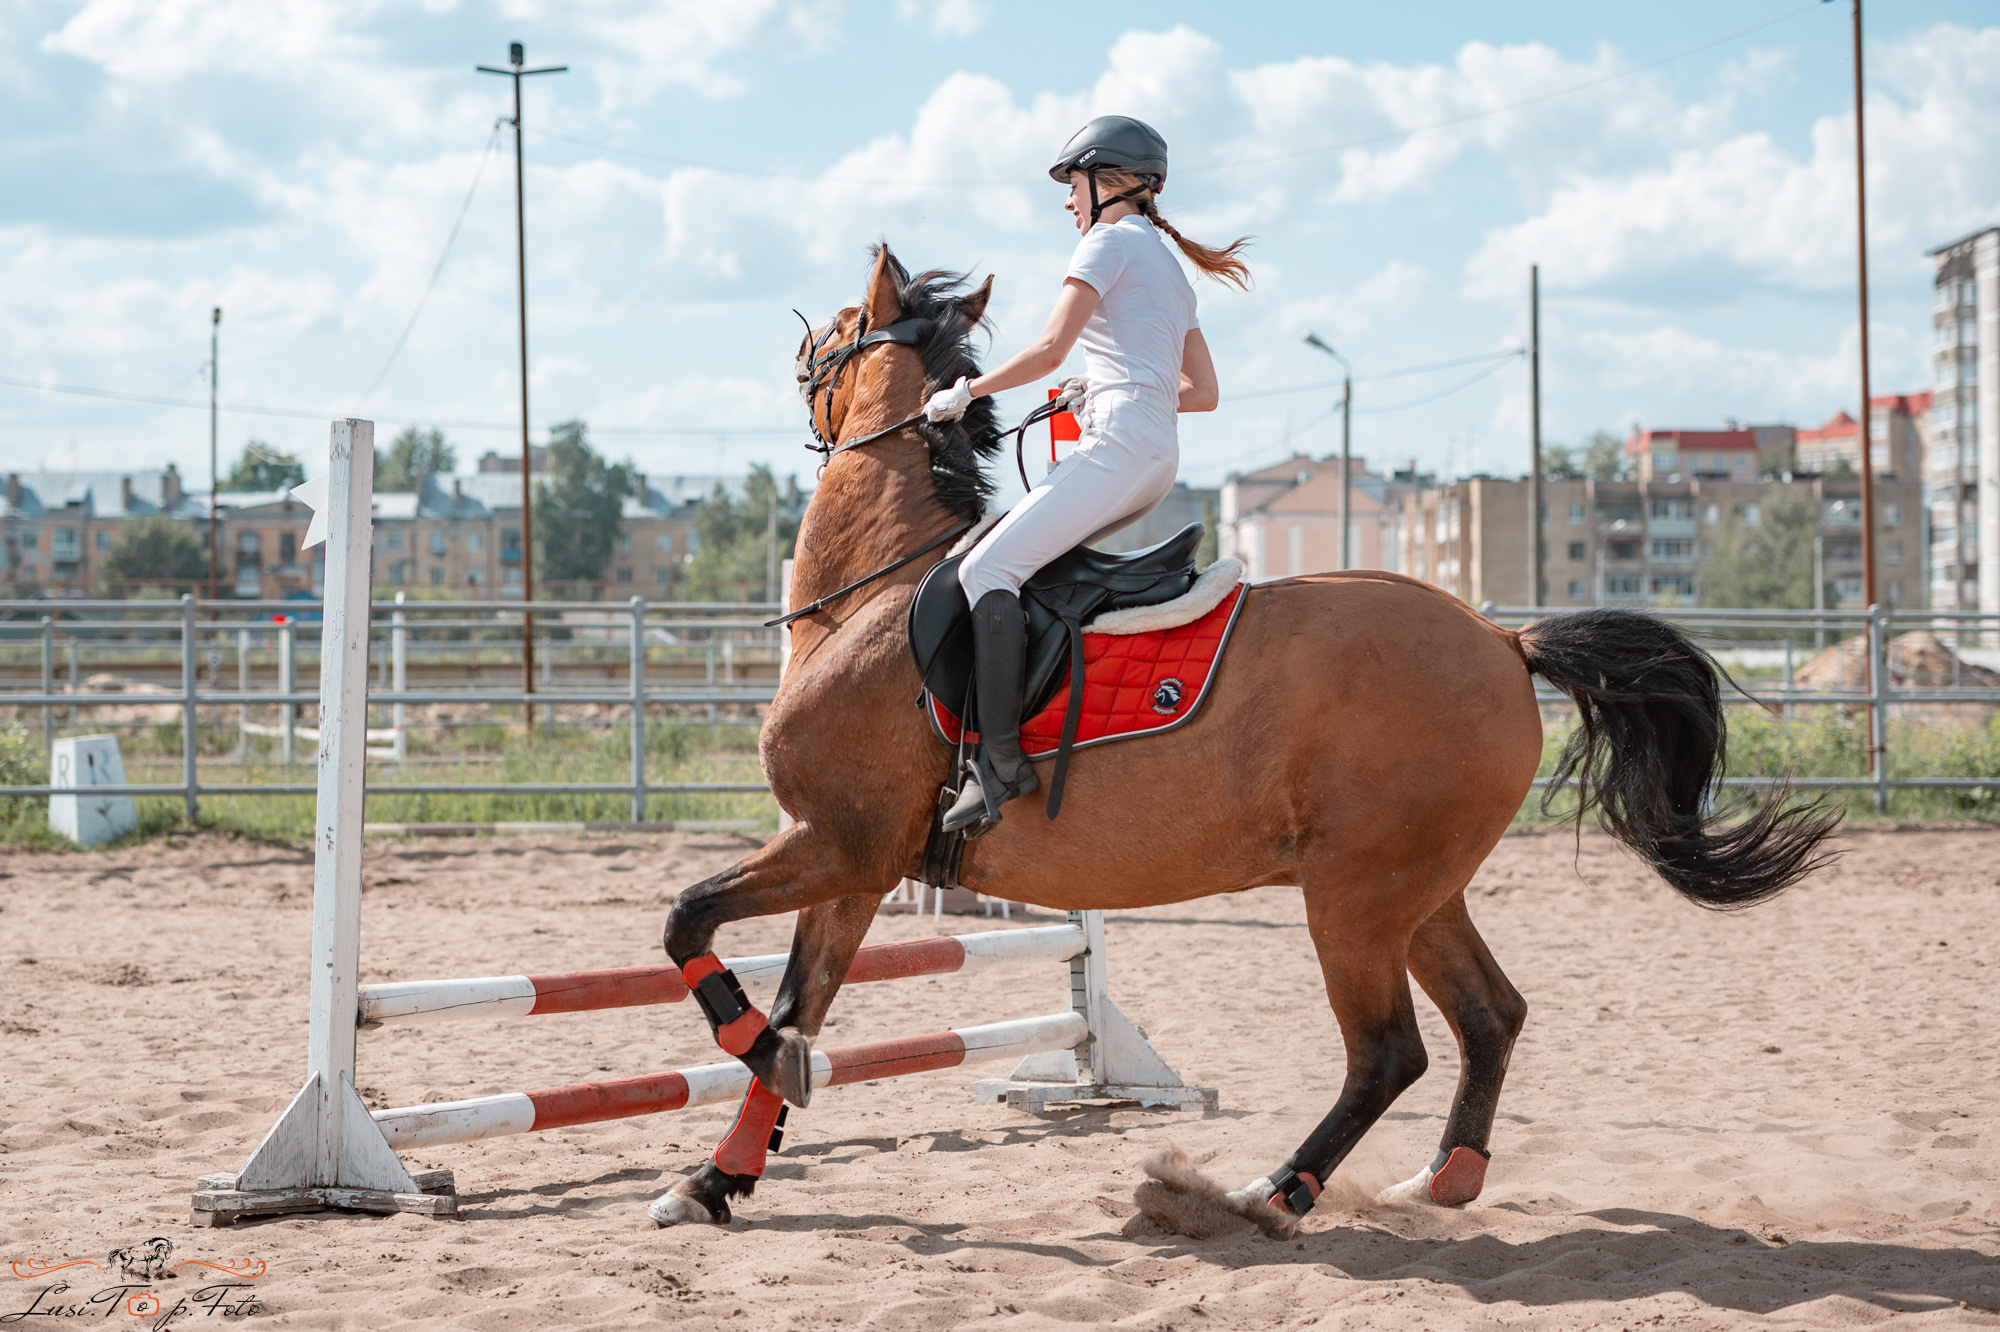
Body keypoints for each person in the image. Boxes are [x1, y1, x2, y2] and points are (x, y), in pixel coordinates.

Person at [922, 115, 1251, 836]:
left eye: (1072, 185)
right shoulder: (1167, 262)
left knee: (986, 571)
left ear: (1108, 183)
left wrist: (963, 393)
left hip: (1116, 450)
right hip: (1153, 456)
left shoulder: (1107, 243)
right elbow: (1203, 393)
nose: (1068, 202)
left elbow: (1045, 349)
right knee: (1030, 567)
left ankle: (1000, 762)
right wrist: (1096, 389)